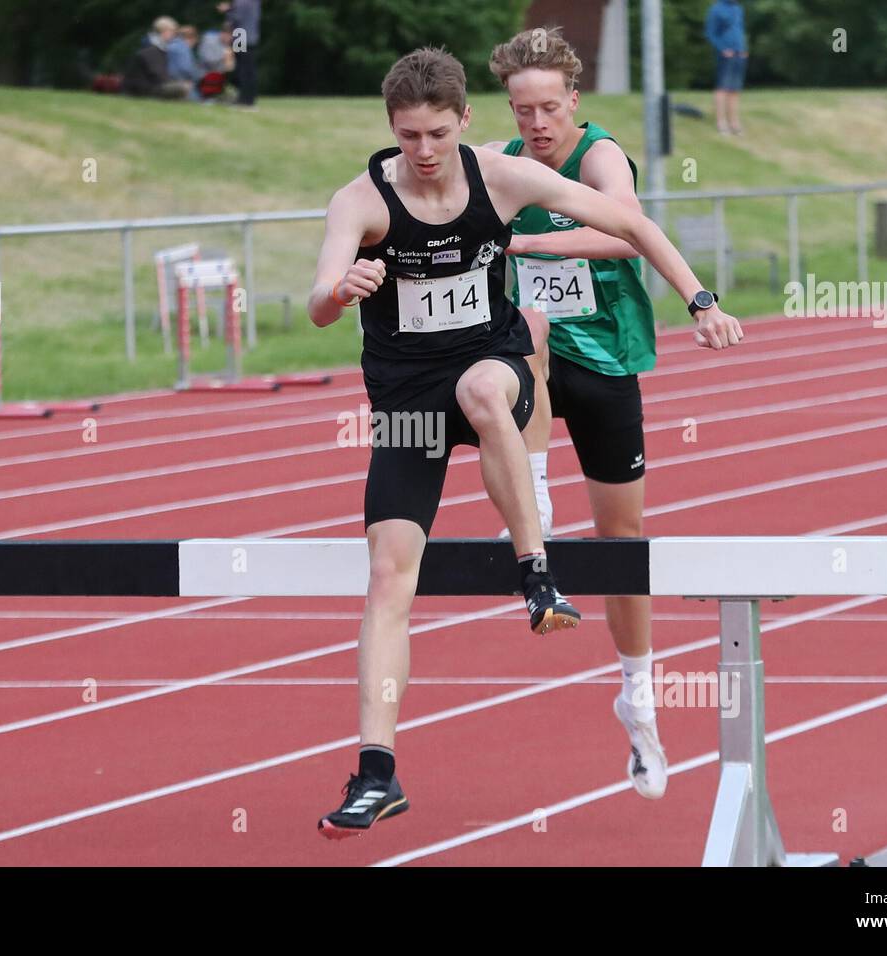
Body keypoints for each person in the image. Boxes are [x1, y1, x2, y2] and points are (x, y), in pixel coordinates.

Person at [307, 47, 742, 838]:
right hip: (406, 401)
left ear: (463, 122)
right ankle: (376, 771)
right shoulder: (361, 201)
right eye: (408, 137)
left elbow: (630, 221)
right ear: (391, 130)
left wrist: (699, 298)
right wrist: (342, 290)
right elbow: (317, 302)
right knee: (385, 574)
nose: (425, 151)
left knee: (487, 391)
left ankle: (536, 572)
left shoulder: (501, 178)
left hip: (508, 365)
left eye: (437, 133)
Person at [484, 26, 744, 801]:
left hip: (607, 359)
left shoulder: (597, 156)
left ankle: (638, 692)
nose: (535, 125)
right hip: (537, 353)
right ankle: (531, 492)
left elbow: (624, 234)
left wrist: (699, 300)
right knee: (522, 334)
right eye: (521, 110)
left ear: (574, 101)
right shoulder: (505, 161)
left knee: (621, 539)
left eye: (547, 109)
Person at [705, 0, 749, 134]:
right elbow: (710, 33)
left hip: (739, 53)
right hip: (726, 54)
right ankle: (721, 122)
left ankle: (734, 123)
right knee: (722, 88)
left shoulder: (738, 9)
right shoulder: (716, 9)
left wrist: (743, 48)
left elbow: (739, 30)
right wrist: (722, 48)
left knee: (735, 90)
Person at [218, 0, 260, 108]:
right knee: (249, 70)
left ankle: (243, 99)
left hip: (240, 36)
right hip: (250, 37)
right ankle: (249, 98)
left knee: (242, 70)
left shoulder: (240, 2)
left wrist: (227, 11)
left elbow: (236, 19)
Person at [168, 25, 207, 101]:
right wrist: (201, 75)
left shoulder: (171, 45)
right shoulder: (183, 48)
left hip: (170, 81)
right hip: (182, 82)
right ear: (191, 38)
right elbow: (186, 68)